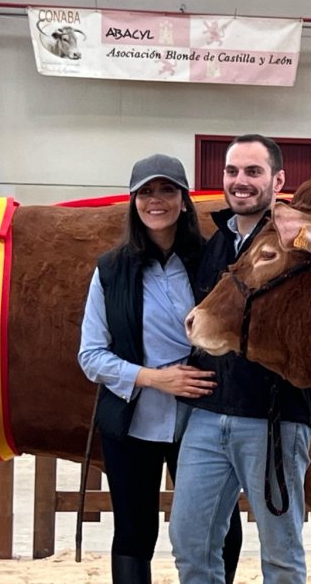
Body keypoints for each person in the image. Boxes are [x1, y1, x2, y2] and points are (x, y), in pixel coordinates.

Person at [170, 134, 311, 583]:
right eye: (232, 172)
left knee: (280, 552)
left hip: (274, 418)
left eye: (253, 172)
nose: (240, 182)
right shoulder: (214, 244)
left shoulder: (298, 245)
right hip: (207, 414)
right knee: (189, 542)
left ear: (278, 180)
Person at [78, 154, 219, 583]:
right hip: (131, 421)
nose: (156, 201)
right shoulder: (110, 269)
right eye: (146, 192)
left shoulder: (212, 262)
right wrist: (157, 378)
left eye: (167, 190)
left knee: (213, 531)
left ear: (183, 200)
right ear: (133, 201)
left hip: (202, 420)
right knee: (134, 533)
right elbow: (90, 356)